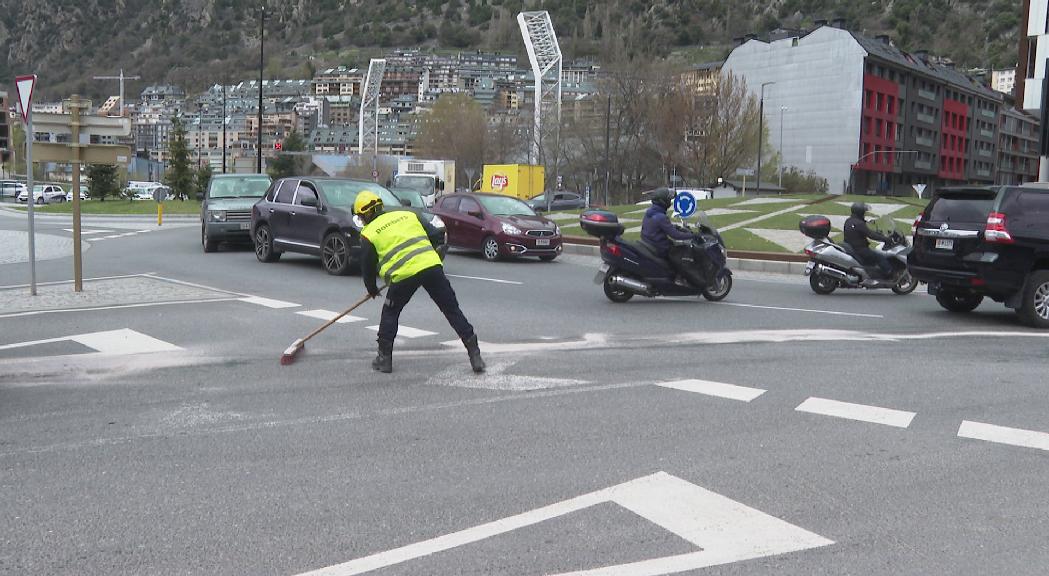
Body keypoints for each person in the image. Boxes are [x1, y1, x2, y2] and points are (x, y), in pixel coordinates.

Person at [353, 191, 485, 374]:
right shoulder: (408, 214)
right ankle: (475, 355)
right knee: (451, 310)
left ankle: (384, 360)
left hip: (404, 276)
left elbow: (367, 266)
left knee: (390, 312)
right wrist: (433, 253)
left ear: (365, 214)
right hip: (431, 267)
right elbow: (435, 234)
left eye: (360, 217)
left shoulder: (368, 233)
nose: (361, 221)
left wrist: (372, 289)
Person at [640, 187, 704, 287]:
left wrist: (678, 227)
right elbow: (675, 235)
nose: (669, 202)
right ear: (663, 201)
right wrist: (692, 235)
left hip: (649, 242)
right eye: (668, 200)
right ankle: (679, 278)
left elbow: (665, 227)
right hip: (659, 246)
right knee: (683, 251)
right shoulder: (661, 216)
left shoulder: (651, 212)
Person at [844, 202, 892, 280]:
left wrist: (867, 222)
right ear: (860, 212)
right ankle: (889, 274)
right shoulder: (859, 223)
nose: (864, 214)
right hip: (860, 249)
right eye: (864, 212)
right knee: (880, 257)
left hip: (851, 247)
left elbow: (863, 229)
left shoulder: (849, 221)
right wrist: (886, 239)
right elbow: (871, 235)